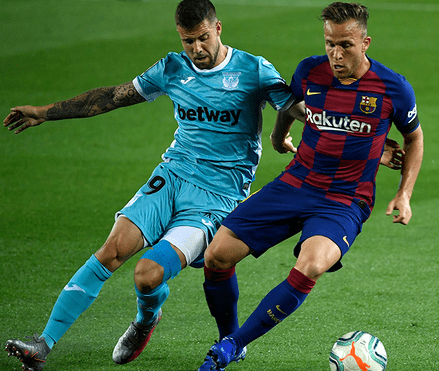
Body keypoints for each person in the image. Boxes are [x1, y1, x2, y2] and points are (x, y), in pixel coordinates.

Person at [2, 1, 299, 370]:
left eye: (203, 38)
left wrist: (287, 135)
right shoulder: (172, 68)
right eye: (188, 41)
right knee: (112, 250)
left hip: (217, 197)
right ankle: (43, 344)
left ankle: (146, 320)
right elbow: (112, 97)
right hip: (172, 176)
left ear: (218, 28)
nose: (197, 49)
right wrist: (43, 113)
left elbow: (293, 106)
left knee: (147, 275)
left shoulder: (253, 70)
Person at [197, 2, 424, 370]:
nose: (335, 54)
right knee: (216, 256)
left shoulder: (392, 88)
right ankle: (230, 340)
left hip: (345, 199)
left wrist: (404, 193)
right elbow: (289, 106)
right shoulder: (309, 71)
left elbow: (414, 139)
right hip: (297, 182)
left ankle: (230, 346)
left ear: (365, 43)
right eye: (329, 43)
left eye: (345, 45)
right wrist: (278, 136)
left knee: (313, 264)